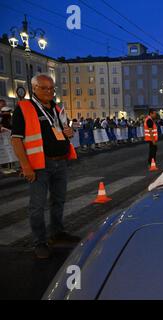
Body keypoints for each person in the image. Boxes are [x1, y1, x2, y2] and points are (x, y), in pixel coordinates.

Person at [10, 74, 80, 259]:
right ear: (34, 88)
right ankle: (39, 242)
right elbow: (16, 140)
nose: (49, 91)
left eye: (51, 88)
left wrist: (69, 132)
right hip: (39, 164)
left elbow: (66, 132)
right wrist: (25, 166)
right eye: (44, 88)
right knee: (37, 206)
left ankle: (57, 233)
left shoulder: (57, 108)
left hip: (60, 161)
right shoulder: (24, 108)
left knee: (59, 201)